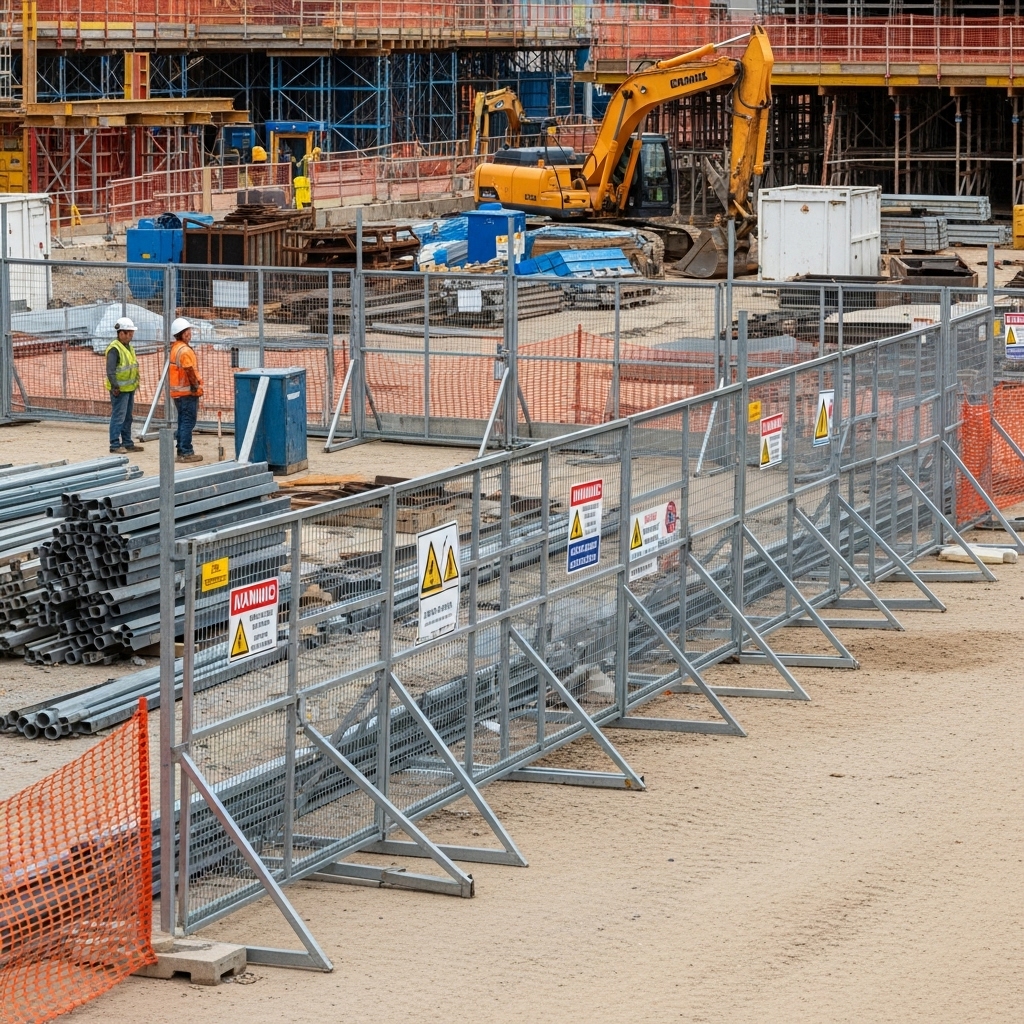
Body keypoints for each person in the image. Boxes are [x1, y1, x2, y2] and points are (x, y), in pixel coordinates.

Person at [106, 316, 143, 455]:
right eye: (129, 333)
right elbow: (110, 370)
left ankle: (127, 442)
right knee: (119, 416)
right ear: (121, 333)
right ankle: (115, 444)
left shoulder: (128, 347)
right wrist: (115, 386)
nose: (132, 335)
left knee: (127, 416)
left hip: (129, 388)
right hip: (119, 390)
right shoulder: (114, 349)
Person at [169, 317, 204, 464]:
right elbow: (189, 370)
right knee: (188, 422)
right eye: (188, 331)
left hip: (178, 393)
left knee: (183, 421)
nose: (191, 333)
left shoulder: (176, 347)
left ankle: (181, 448)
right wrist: (195, 387)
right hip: (186, 393)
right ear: (183, 334)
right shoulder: (184, 350)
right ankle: (185, 451)